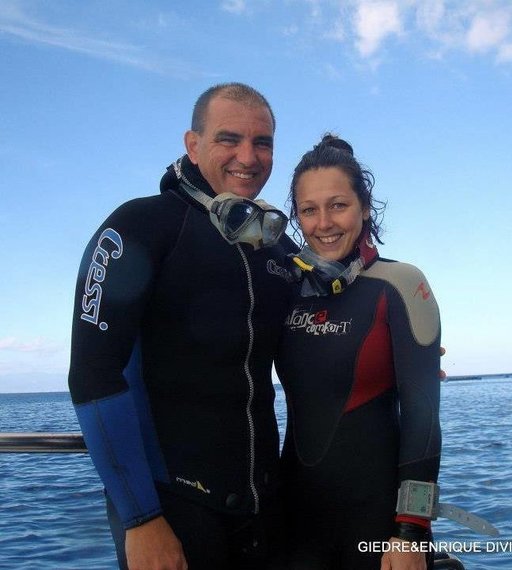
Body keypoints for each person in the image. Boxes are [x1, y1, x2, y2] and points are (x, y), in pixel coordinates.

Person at [68, 83, 296, 570]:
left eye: (263, 143)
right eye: (228, 139)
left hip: (264, 509)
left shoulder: (275, 247)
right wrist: (140, 519)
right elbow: (92, 375)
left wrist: (410, 351)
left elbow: (334, 308)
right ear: (192, 144)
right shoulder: (140, 227)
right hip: (172, 510)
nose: (247, 156)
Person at [275, 134, 441, 569]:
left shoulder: (400, 284)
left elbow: (423, 420)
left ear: (364, 207)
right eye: (309, 210)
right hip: (295, 524)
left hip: (379, 528)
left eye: (338, 205)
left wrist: (411, 531)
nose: (324, 222)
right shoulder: (284, 289)